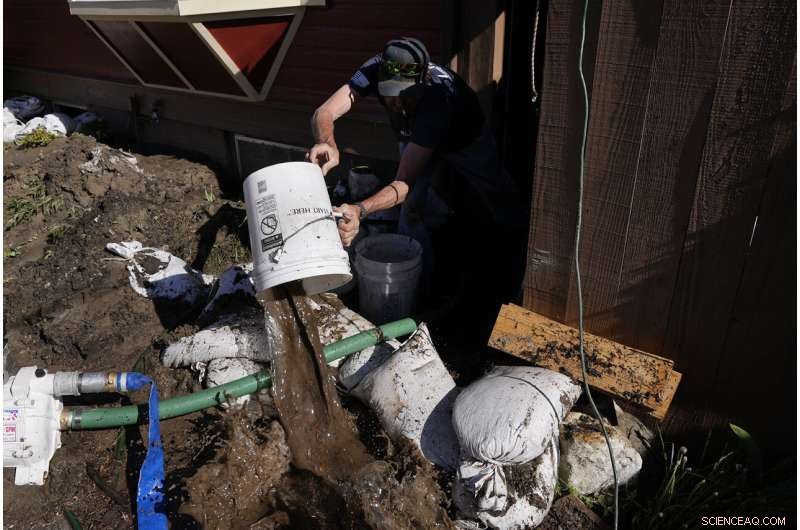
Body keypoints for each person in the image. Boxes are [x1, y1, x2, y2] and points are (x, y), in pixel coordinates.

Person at [307, 37, 526, 344]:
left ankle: (515, 262)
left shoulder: (438, 100)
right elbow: (324, 112)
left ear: (421, 81)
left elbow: (403, 184)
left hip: (465, 140)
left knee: (498, 197)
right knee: (413, 210)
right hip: (416, 136)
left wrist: (360, 209)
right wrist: (326, 142)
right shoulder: (376, 67)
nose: (394, 103)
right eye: (388, 95)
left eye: (402, 96)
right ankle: (422, 286)